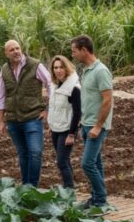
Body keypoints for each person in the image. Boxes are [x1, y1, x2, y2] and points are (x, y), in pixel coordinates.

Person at [0, 39, 52, 187]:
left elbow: (50, 84)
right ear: (6, 53)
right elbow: (1, 96)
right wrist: (1, 121)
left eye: (17, 48)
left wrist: (48, 109)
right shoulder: (4, 70)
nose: (16, 51)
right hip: (13, 120)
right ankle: (26, 186)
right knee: (23, 154)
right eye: (12, 50)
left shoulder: (35, 65)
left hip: (32, 117)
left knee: (35, 152)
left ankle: (32, 186)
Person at [70, 35, 113, 208]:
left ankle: (101, 199)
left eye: (74, 51)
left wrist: (98, 126)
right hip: (87, 123)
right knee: (96, 163)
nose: (72, 55)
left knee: (87, 164)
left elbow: (107, 100)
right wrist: (82, 122)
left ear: (84, 50)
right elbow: (88, 99)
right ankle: (96, 199)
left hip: (97, 126)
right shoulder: (86, 70)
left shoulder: (101, 71)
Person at [47, 55, 81, 189]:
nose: (58, 70)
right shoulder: (54, 85)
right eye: (55, 68)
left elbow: (77, 113)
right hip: (56, 128)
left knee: (61, 161)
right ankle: (70, 187)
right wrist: (51, 124)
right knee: (65, 160)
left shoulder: (74, 88)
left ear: (66, 68)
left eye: (61, 67)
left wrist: (72, 134)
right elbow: (53, 106)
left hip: (67, 130)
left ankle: (69, 188)